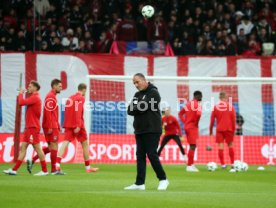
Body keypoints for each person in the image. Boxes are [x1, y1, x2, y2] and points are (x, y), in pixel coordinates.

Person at [125, 73, 169, 191]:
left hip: (152, 129)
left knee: (151, 154)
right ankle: (139, 183)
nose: (135, 85)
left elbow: (142, 107)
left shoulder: (154, 93)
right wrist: (139, 107)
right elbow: (130, 110)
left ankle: (163, 179)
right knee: (140, 156)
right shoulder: (137, 94)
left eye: (137, 82)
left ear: (144, 80)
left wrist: (138, 107)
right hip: (140, 130)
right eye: (134, 83)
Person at [3, 81, 48, 176]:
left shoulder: (35, 97)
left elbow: (21, 102)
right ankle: (14, 170)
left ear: (35, 88)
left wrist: (20, 93)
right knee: (23, 147)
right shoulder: (33, 97)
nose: (28, 87)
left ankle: (44, 170)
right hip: (29, 127)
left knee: (37, 148)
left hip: (33, 127)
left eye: (30, 86)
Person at [56, 83, 98, 173]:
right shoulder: (80, 98)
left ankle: (57, 165)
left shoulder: (70, 98)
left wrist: (68, 124)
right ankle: (88, 168)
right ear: (84, 90)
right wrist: (78, 125)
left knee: (65, 143)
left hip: (69, 124)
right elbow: (77, 111)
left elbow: (67, 111)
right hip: (78, 125)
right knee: (85, 145)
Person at [27, 79, 63, 175]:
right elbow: (47, 112)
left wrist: (58, 124)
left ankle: (33, 160)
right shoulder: (50, 96)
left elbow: (53, 113)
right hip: (50, 125)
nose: (61, 88)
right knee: (54, 146)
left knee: (52, 147)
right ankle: (53, 170)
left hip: (53, 124)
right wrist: (51, 126)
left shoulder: (52, 96)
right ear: (54, 86)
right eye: (59, 86)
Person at [209, 92, 236, 172]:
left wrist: (210, 131)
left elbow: (212, 120)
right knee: (230, 145)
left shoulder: (216, 107)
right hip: (229, 129)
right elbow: (233, 120)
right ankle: (232, 164)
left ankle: (223, 165)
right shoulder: (230, 107)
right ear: (226, 97)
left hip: (219, 129)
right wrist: (233, 130)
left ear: (219, 98)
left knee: (220, 147)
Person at [178, 91, 202, 172]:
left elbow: (180, 113)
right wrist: (196, 123)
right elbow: (198, 114)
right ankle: (189, 166)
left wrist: (185, 122)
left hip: (187, 127)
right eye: (201, 96)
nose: (201, 98)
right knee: (192, 146)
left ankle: (191, 164)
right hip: (192, 127)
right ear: (197, 96)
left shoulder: (188, 104)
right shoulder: (197, 104)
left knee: (192, 146)